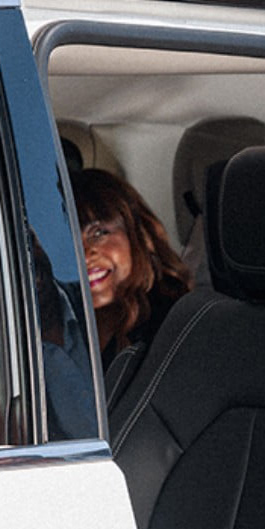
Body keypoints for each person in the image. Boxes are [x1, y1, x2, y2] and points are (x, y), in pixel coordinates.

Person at [71, 165, 193, 405]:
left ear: (140, 235)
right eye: (70, 242)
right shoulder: (60, 334)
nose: (85, 254)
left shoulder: (175, 330)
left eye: (99, 233)